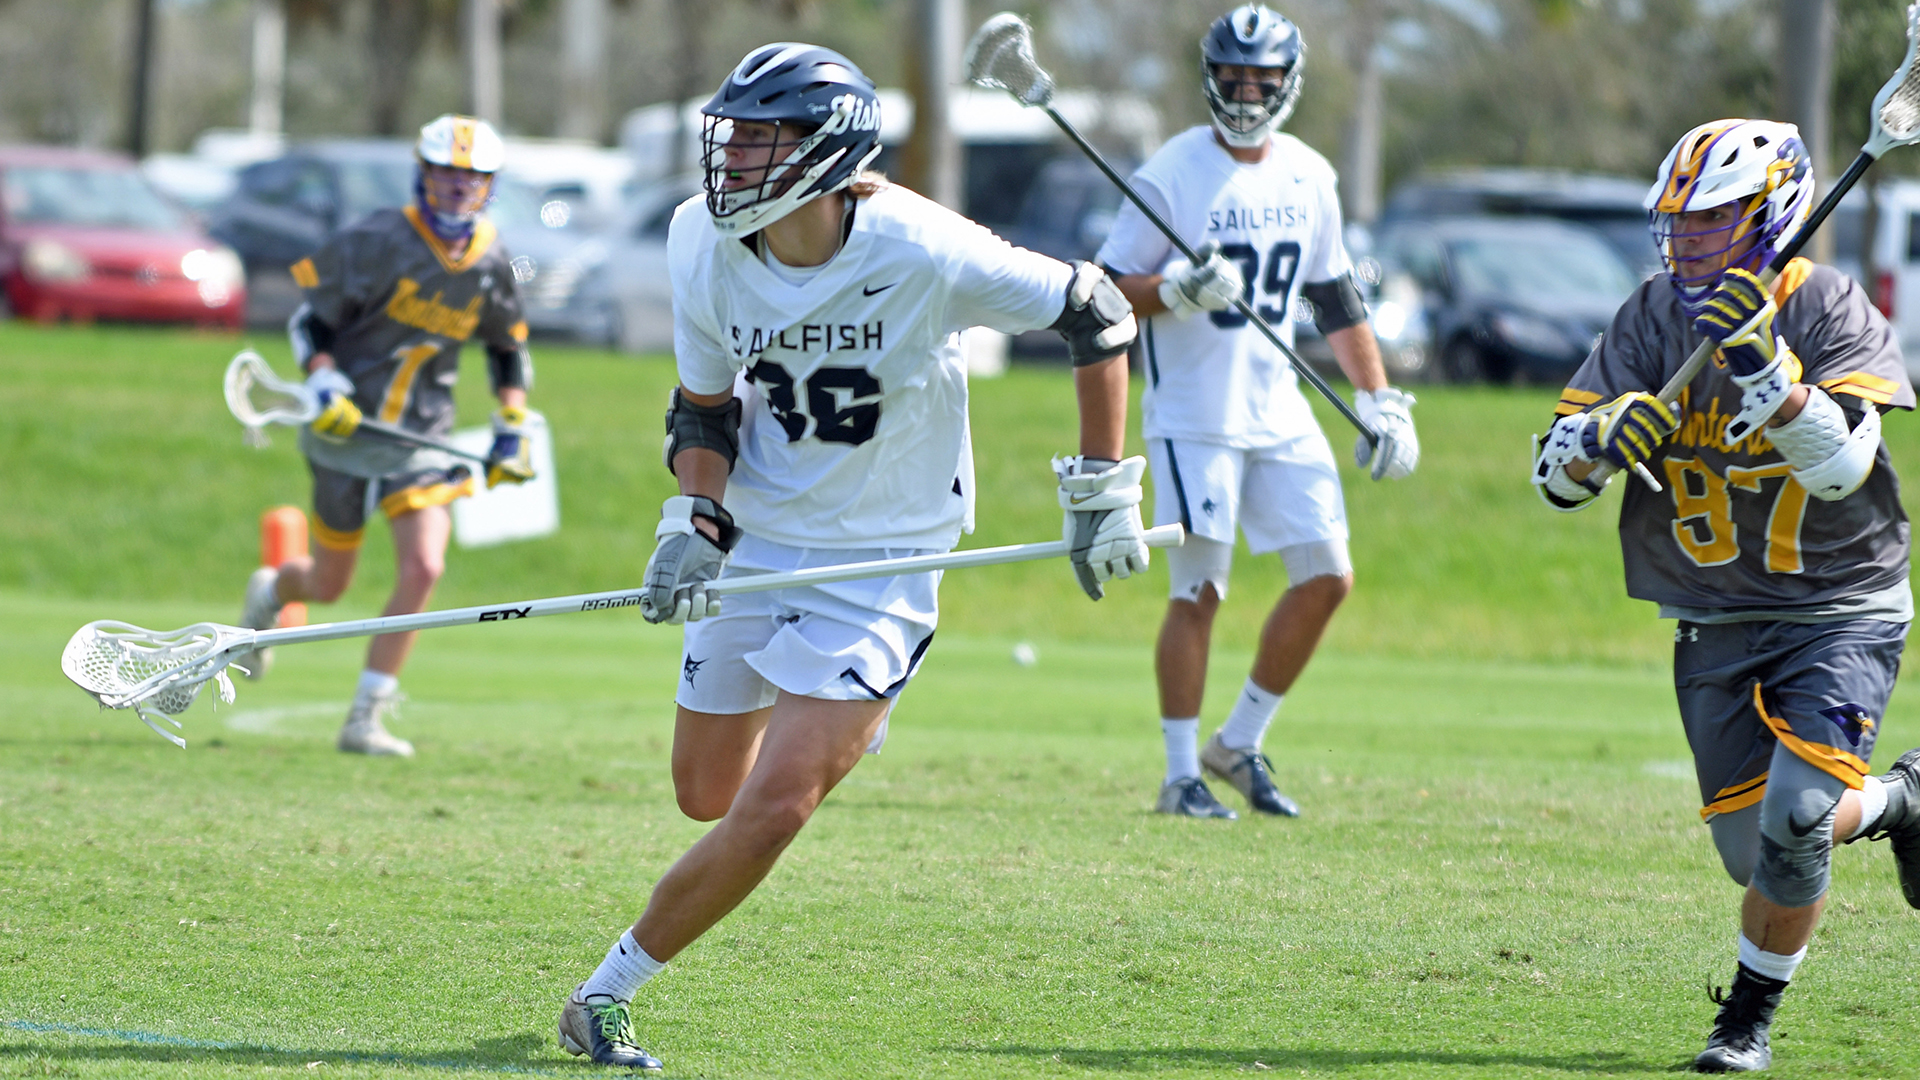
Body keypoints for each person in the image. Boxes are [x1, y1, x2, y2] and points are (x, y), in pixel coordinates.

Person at [553, 44, 1147, 1071]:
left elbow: (1098, 311)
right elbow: (703, 407)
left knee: (777, 805)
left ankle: (605, 994)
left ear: (829, 153)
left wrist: (1103, 486)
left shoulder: (922, 247)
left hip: (884, 556)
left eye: (760, 138)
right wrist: (692, 519)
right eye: (730, 135)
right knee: (706, 793)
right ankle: (837, 723)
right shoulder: (701, 240)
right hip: (764, 538)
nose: (732, 158)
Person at [1530, 117, 1920, 1073]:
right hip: (1712, 615)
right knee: (1758, 854)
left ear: (1774, 212)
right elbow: (1550, 478)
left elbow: (1844, 468)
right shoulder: (1652, 315)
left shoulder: (1828, 304)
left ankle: (1743, 1024)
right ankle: (1904, 802)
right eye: (1682, 224)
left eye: (1713, 223)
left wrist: (1763, 367)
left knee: (1793, 823)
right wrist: (1597, 442)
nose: (1690, 242)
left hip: (1840, 602)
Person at [1096, 4, 1419, 821]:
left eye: (1261, 79)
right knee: (1199, 592)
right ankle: (1178, 775)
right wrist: (1170, 290)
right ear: (1209, 78)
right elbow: (1099, 294)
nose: (1245, 93)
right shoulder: (1172, 170)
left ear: (1289, 83)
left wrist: (1378, 398)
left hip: (1282, 413)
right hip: (1196, 415)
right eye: (1232, 78)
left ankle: (1237, 742)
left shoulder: (1311, 173)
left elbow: (1336, 297)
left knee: (1328, 577)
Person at [232, 114, 537, 757]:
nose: (459, 188)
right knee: (329, 583)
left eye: (473, 177)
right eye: (449, 173)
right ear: (423, 174)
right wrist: (323, 382)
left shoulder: (493, 259)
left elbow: (508, 352)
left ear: (491, 185)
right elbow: (308, 323)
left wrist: (513, 427)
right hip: (347, 426)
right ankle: (271, 592)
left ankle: (364, 716)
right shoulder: (373, 238)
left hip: (423, 436)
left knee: (425, 563)